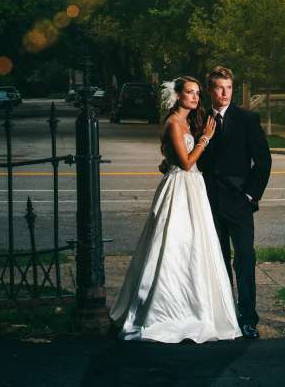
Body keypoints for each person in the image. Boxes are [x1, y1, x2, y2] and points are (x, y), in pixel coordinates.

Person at [109, 75, 242, 343]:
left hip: (193, 187)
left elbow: (174, 158)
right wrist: (204, 139)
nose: (195, 97)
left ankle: (195, 305)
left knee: (196, 245)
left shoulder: (186, 121)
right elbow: (185, 162)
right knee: (172, 243)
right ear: (178, 96)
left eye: (197, 93)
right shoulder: (173, 123)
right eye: (190, 93)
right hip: (181, 187)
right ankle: (163, 309)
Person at [198, 66, 272, 339]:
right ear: (210, 90)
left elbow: (263, 161)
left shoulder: (246, 119)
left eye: (228, 87)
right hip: (208, 202)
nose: (225, 93)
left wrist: (250, 196)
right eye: (219, 87)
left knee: (245, 259)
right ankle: (225, 316)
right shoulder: (200, 120)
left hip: (239, 202)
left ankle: (248, 318)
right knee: (217, 261)